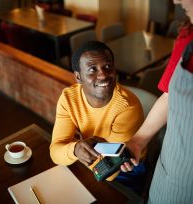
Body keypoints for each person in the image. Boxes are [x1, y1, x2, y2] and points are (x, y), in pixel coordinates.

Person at [121, 0, 193, 203]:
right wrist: (138, 140)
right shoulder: (188, 37)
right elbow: (170, 95)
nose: (176, 1)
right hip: (169, 169)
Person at [50, 41, 144, 182]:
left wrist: (73, 150)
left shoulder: (127, 108)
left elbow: (110, 174)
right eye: (92, 69)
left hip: (127, 170)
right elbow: (55, 153)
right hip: (94, 162)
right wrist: (75, 149)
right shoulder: (69, 98)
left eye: (107, 66)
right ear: (78, 77)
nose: (103, 75)